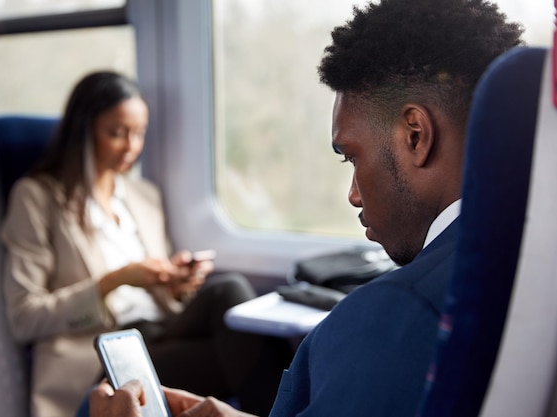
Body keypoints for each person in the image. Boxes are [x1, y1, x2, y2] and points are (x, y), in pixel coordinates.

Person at [86, 0, 524, 416]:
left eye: (352, 157)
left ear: (415, 135)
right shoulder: (524, 257)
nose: (353, 194)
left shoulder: (392, 316)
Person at [0, 71, 291, 417]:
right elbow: (24, 317)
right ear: (84, 129)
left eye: (139, 134)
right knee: (242, 349)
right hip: (103, 353)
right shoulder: (37, 198)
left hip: (159, 330)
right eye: (117, 133)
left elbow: (161, 299)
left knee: (229, 291)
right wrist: (116, 279)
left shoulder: (144, 196)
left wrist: (176, 283)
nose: (131, 146)